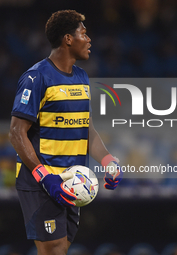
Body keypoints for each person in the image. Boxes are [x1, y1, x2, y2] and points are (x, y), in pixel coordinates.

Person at [9, 10, 123, 255]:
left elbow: (86, 129)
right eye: (84, 32)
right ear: (68, 39)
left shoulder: (81, 77)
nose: (89, 39)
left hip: (73, 181)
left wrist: (107, 160)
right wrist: (45, 177)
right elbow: (16, 133)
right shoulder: (36, 77)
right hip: (43, 181)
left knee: (60, 249)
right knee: (55, 249)